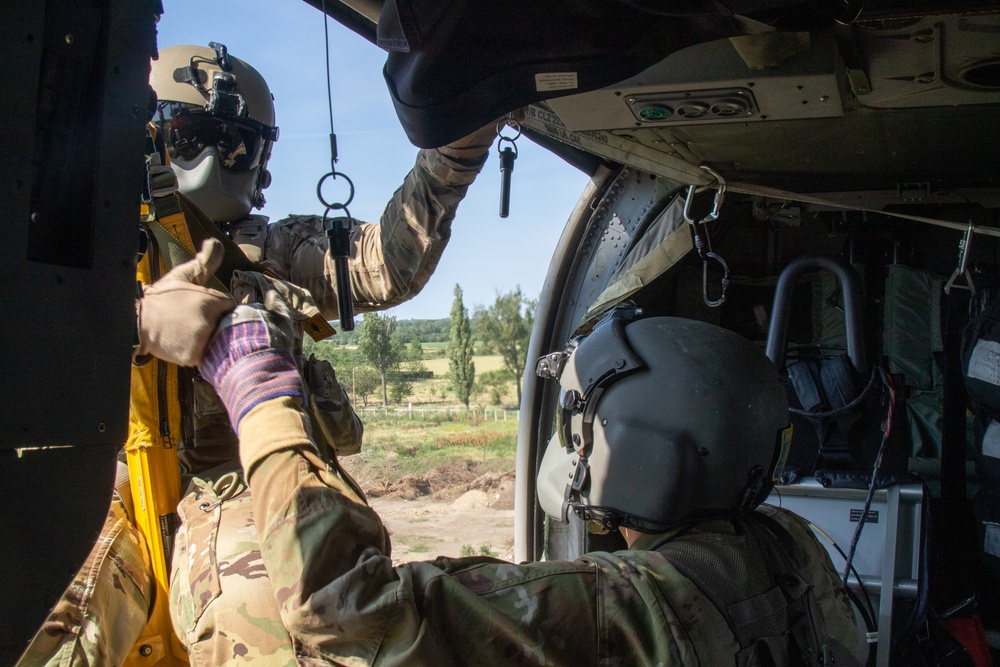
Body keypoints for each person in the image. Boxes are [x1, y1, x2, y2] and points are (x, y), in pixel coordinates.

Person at [132, 254, 865, 666]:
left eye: (585, 426)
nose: (574, 445)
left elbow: (341, 610)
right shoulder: (790, 547)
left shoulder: (624, 606)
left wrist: (258, 384)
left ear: (647, 455)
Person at [17, 42, 495, 666]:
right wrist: (132, 320)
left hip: (246, 494)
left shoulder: (272, 248)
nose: (218, 159)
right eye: (193, 136)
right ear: (154, 137)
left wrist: (457, 145)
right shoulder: (87, 242)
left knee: (292, 624)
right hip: (113, 499)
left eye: (238, 144)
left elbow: (385, 264)